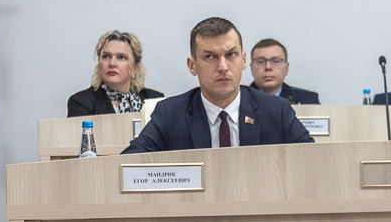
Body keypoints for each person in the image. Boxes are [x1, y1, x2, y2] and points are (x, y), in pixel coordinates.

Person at [124, 17, 315, 151]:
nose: (223, 67)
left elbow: (311, 160)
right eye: (210, 57)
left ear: (243, 60)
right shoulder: (170, 114)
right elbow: (128, 165)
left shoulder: (276, 111)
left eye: (231, 55)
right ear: (192, 65)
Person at [65, 30, 163, 116]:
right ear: (99, 64)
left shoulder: (155, 100)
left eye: (122, 57)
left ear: (135, 68)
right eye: (106, 56)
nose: (112, 63)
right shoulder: (81, 102)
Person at [248, 38, 319, 105]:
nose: (268, 67)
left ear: (286, 68)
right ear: (252, 68)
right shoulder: (242, 99)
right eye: (261, 62)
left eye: (275, 61)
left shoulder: (308, 100)